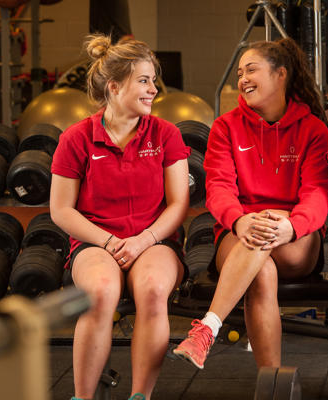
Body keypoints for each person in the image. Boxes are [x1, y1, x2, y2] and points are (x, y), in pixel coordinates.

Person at [173, 38, 328, 370]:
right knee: (260, 267)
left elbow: (318, 193)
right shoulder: (225, 127)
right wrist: (239, 220)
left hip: (296, 237)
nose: (242, 79)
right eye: (239, 73)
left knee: (266, 237)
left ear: (280, 75)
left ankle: (208, 327)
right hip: (241, 231)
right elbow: (218, 188)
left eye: (251, 70)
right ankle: (270, 380)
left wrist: (291, 225)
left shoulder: (313, 130)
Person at [50, 34, 190, 400]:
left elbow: (178, 204)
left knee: (154, 290)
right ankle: (82, 397)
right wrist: (109, 241)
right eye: (144, 81)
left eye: (153, 81)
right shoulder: (76, 138)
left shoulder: (166, 134)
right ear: (114, 86)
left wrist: (144, 240)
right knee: (99, 292)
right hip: (97, 240)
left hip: (153, 240)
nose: (153, 90)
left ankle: (140, 396)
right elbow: (61, 209)